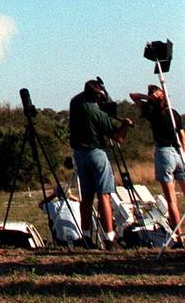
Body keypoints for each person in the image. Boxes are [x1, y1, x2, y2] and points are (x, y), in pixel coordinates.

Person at [68, 79, 133, 249]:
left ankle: (86, 236)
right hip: (96, 153)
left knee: (87, 197)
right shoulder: (99, 115)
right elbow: (117, 138)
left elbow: (81, 96)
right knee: (104, 195)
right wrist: (125, 125)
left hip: (79, 154)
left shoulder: (75, 104)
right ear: (97, 96)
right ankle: (110, 239)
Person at [128, 83, 185, 234]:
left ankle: (178, 235)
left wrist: (149, 99)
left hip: (165, 153)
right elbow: (182, 136)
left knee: (172, 200)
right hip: (178, 152)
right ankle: (179, 234)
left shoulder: (152, 112)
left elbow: (133, 96)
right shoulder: (173, 113)